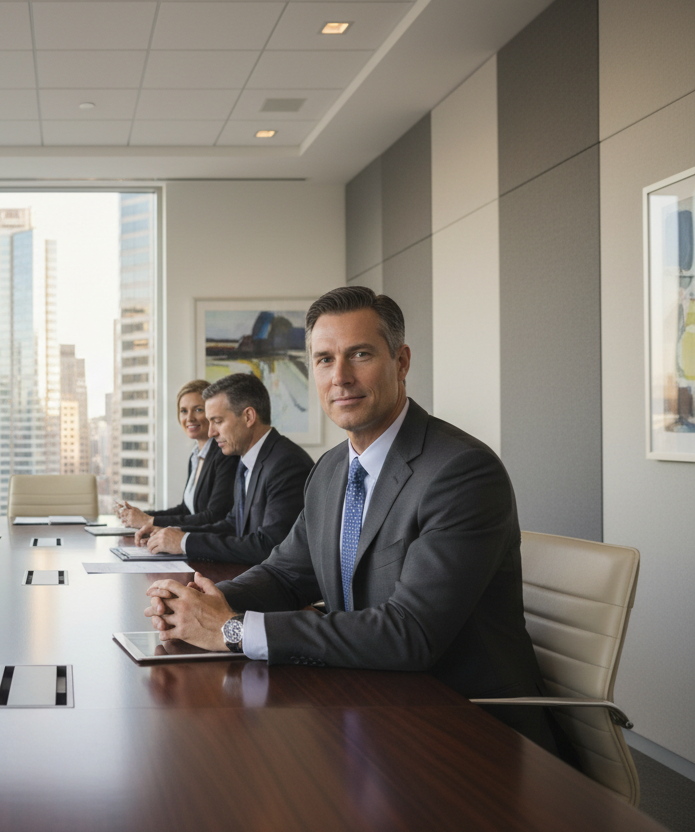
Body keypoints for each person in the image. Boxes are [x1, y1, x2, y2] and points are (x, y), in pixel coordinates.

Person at [142, 286, 562, 753]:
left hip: (465, 728)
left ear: (400, 362)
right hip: (369, 706)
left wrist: (233, 629)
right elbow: (285, 573)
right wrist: (200, 602)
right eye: (323, 359)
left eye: (359, 354)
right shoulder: (332, 469)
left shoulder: (460, 472)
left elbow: (410, 633)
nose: (339, 377)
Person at [134, 373, 314, 564]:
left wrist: (185, 541)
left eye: (218, 421)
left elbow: (269, 546)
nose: (211, 432)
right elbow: (232, 524)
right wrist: (174, 533)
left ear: (248, 417)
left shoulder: (286, 464)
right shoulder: (246, 461)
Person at [116, 379, 238, 529]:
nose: (189, 418)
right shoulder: (196, 456)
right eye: (184, 411)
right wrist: (143, 515)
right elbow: (186, 510)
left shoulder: (224, 455)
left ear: (212, 413)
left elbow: (214, 517)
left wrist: (150, 521)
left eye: (198, 409)